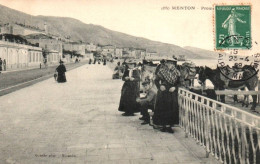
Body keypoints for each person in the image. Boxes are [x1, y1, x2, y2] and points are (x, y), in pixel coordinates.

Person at [152, 58, 180, 133]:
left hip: (172, 92)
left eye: (171, 63)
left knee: (171, 108)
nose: (169, 65)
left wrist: (175, 87)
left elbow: (179, 83)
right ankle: (164, 125)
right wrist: (160, 86)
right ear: (165, 64)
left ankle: (169, 126)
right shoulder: (162, 71)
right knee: (163, 108)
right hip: (163, 91)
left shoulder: (177, 72)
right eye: (167, 63)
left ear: (173, 64)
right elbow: (156, 80)